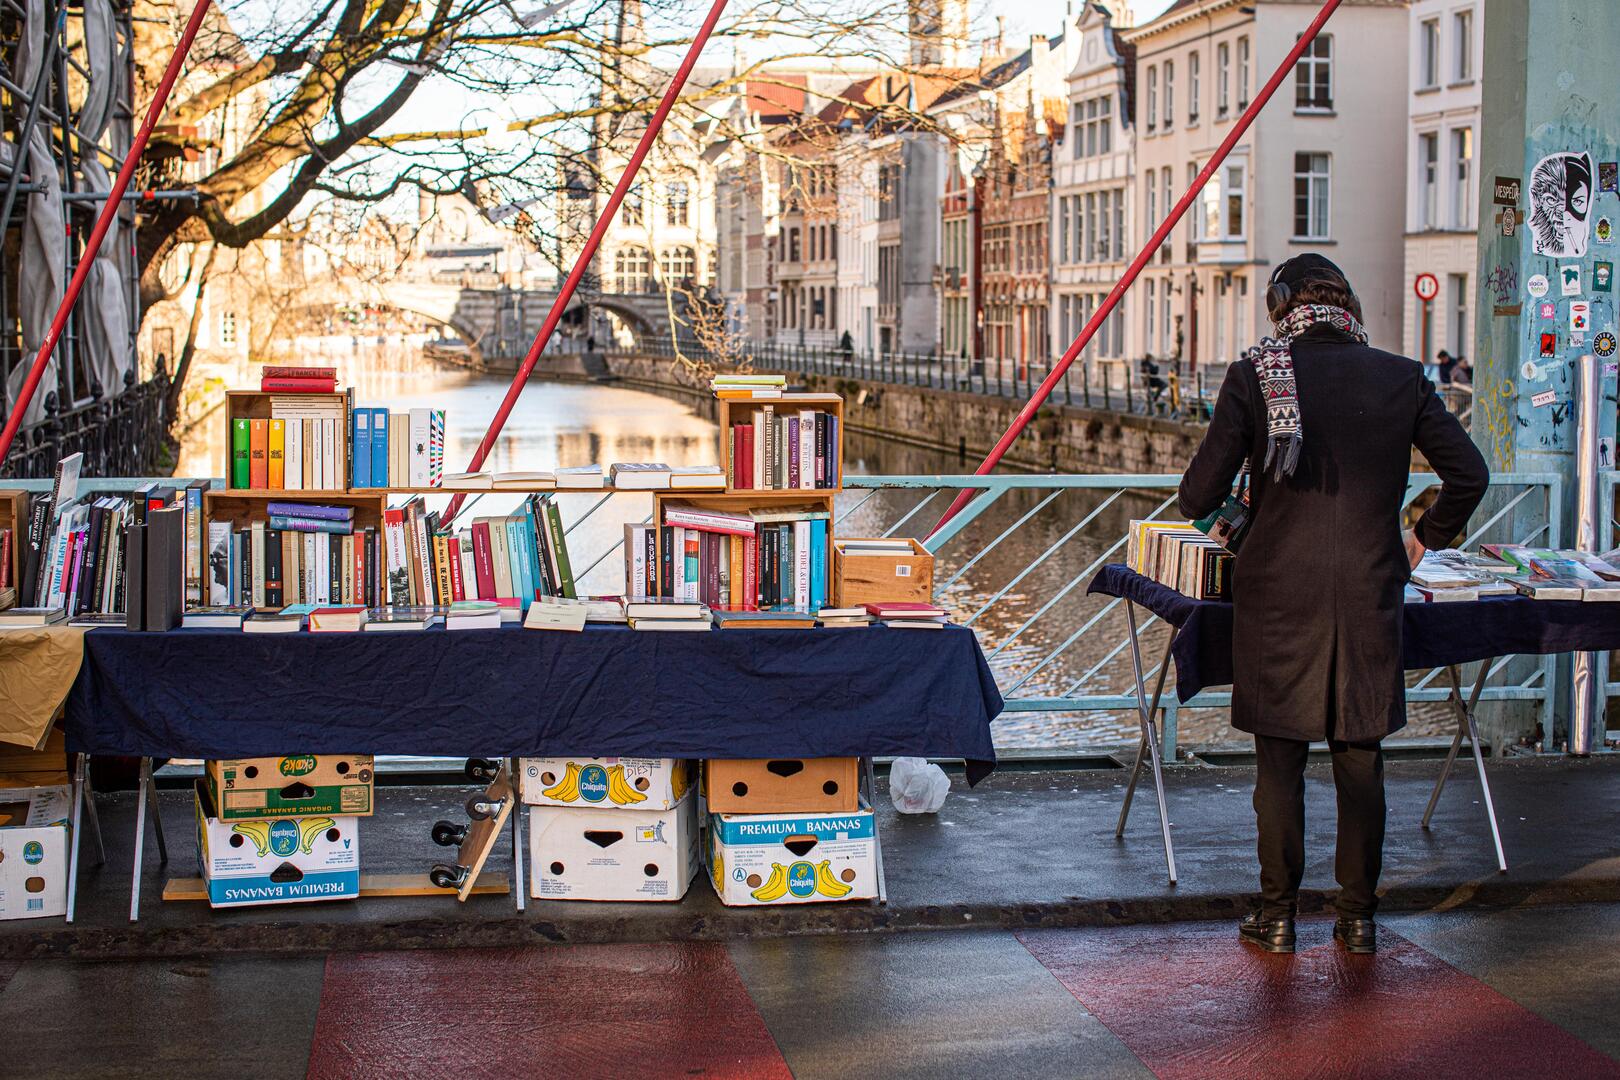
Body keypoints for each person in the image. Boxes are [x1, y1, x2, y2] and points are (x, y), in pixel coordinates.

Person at [1178, 254, 1488, 956]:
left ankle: (1277, 914)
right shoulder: (1401, 376)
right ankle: (1357, 919)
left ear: (1281, 307)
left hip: (1277, 598)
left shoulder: (1257, 374)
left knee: (1280, 763)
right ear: (1347, 306)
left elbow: (1195, 498)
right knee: (1359, 758)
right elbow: (1470, 473)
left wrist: (1243, 519)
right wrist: (1422, 536)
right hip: (1368, 595)